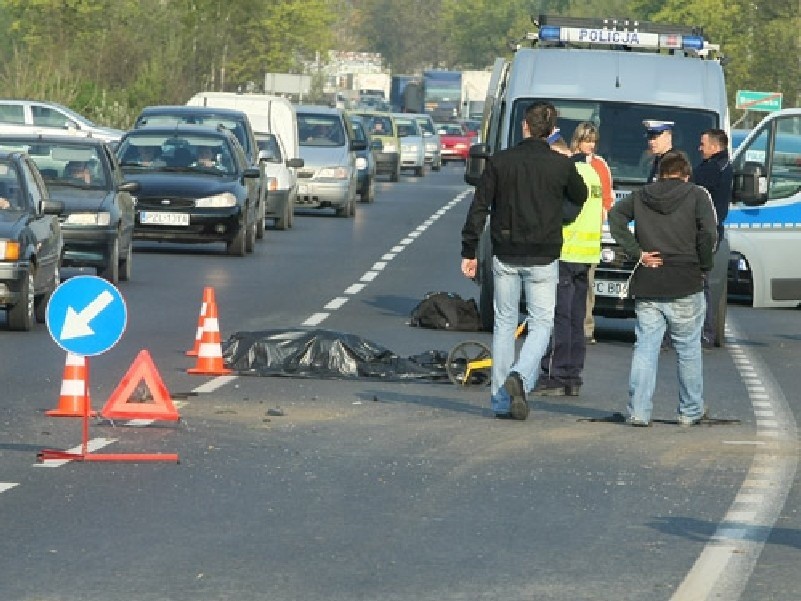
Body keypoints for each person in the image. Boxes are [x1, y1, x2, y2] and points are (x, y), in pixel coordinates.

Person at [460, 101, 587, 420]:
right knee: (542, 322)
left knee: (504, 323)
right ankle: (521, 376)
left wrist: (469, 250)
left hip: (506, 252)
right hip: (544, 255)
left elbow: (479, 207)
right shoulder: (561, 165)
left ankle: (502, 399)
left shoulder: (501, 162)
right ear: (552, 130)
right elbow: (581, 196)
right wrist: (561, 219)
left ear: (525, 126)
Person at [608, 150, 718, 427]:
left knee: (645, 347)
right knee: (688, 349)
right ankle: (690, 410)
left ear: (660, 173)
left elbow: (615, 218)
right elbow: (709, 233)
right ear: (686, 174)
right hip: (686, 279)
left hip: (649, 279)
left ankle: (639, 411)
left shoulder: (642, 195)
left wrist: (638, 253)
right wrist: (704, 265)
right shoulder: (697, 195)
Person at [534, 133, 603, 396]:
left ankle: (555, 374)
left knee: (559, 316)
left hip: (566, 251)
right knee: (576, 318)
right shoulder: (592, 173)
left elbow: (563, 212)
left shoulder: (568, 173)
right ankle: (573, 375)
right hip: (586, 255)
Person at [569, 122, 614, 345]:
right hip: (567, 237)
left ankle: (586, 329)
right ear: (578, 141)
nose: (591, 146)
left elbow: (607, 198)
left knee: (587, 286)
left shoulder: (599, 165)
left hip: (589, 239)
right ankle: (565, 327)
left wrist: (603, 216)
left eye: (593, 142)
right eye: (587, 141)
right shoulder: (567, 163)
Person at [694, 128, 732, 348]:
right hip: (710, 231)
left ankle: (704, 331)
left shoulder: (713, 168)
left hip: (706, 233)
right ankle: (704, 331)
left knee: (700, 283)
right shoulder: (721, 165)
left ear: (715, 147)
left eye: (703, 144)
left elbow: (694, 186)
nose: (700, 148)